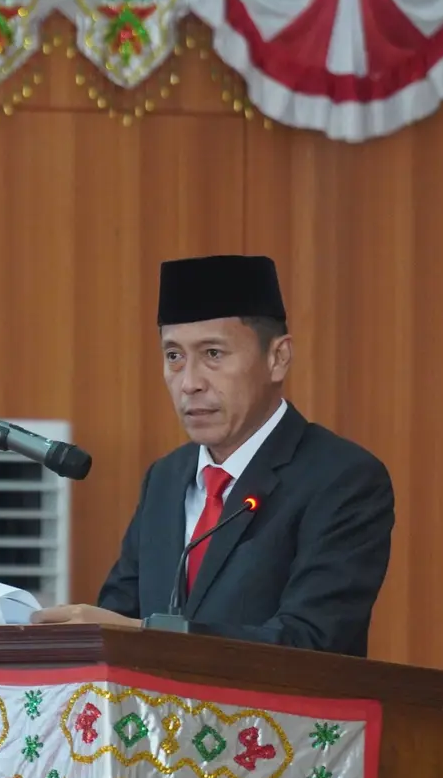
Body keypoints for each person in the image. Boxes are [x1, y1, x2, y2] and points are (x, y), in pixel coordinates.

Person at [30, 254, 393, 656]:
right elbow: (118, 616)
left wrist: (142, 633)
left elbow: (312, 642)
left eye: (213, 354)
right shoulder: (166, 478)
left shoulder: (342, 478)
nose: (190, 383)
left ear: (277, 358)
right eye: (174, 356)